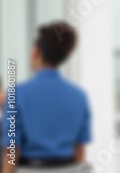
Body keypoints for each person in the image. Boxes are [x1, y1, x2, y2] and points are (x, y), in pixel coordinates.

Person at [2, 21, 91, 173]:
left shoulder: (16, 94)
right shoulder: (79, 96)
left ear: (36, 52)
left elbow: (11, 151)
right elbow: (79, 151)